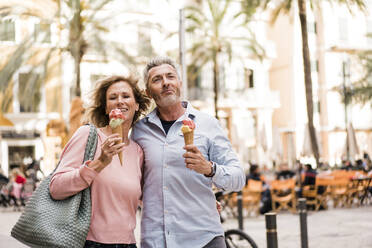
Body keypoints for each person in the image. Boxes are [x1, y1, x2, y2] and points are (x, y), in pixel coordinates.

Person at [131, 56, 245, 248]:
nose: (166, 82)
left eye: (170, 76)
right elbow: (133, 181)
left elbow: (239, 178)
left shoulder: (208, 125)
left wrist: (209, 169)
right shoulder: (140, 131)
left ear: (180, 83)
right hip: (157, 241)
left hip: (204, 239)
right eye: (157, 79)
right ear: (148, 92)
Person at [49, 75, 150, 248]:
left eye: (126, 96)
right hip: (90, 243)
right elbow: (56, 188)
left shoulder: (138, 151)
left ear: (137, 105)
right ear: (105, 108)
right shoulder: (88, 136)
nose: (119, 101)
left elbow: (146, 197)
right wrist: (100, 163)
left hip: (129, 243)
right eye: (112, 98)